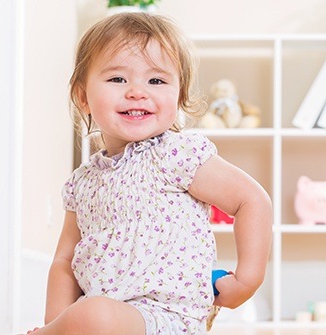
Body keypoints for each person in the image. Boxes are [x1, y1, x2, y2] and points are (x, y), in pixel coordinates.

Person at [22, 12, 272, 335]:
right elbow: (64, 263)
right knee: (91, 313)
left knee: (93, 314)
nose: (137, 92)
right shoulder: (82, 183)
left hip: (166, 318)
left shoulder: (175, 155)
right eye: (117, 79)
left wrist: (246, 280)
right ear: (83, 97)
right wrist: (57, 324)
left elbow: (252, 200)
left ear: (178, 95)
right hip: (106, 318)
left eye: (156, 80)